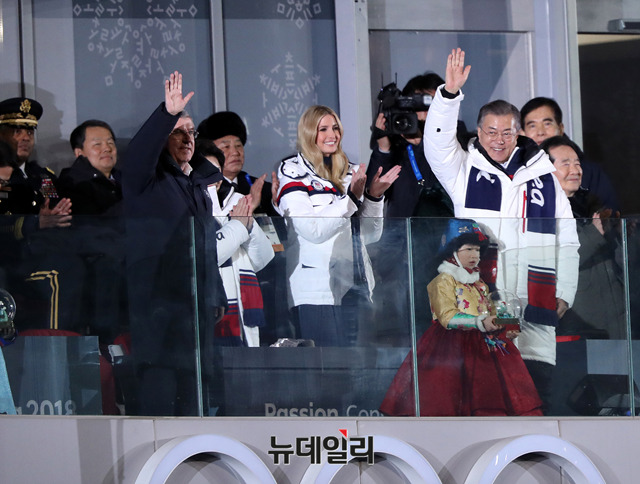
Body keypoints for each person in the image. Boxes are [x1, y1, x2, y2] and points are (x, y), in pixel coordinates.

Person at [423, 48, 579, 413]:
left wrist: (565, 293)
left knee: (537, 398)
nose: (499, 139)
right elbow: (436, 144)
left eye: (507, 132)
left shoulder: (544, 176)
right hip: (482, 307)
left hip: (533, 304)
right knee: (487, 401)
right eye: (491, 131)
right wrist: (449, 96)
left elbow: (568, 240)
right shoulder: (463, 172)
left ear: (518, 133)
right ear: (479, 132)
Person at [121, 71, 227, 416]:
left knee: (194, 398)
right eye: (177, 132)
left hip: (195, 309)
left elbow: (205, 245)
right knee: (161, 395)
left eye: (191, 132)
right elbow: (139, 153)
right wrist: (166, 114)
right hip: (158, 311)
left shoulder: (198, 185)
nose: (187, 139)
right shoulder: (146, 181)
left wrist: (216, 293)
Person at [380, 218, 543, 416]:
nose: (474, 255)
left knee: (491, 392)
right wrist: (479, 322)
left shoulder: (480, 283)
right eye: (468, 249)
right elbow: (446, 317)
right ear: (453, 251)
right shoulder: (443, 281)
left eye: (477, 250)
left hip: (482, 346)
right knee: (449, 395)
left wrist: (508, 323)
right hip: (450, 345)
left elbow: (491, 311)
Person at [276, 105, 400, 346]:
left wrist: (374, 197)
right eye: (323, 129)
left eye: (335, 128)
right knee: (328, 364)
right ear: (308, 132)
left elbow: (370, 235)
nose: (332, 135)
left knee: (360, 365)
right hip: (317, 292)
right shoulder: (292, 171)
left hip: (357, 287)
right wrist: (351, 199)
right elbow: (312, 230)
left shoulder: (350, 171)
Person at [540, 136, 625, 340]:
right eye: (565, 164)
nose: (575, 170)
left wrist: (622, 233)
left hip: (616, 317)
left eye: (577, 163)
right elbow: (552, 257)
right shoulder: (539, 210)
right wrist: (594, 233)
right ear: (545, 170)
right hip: (579, 324)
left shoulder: (591, 204)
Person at [197, 141, 275, 347]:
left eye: (217, 172)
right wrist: (238, 227)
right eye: (206, 172)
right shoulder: (190, 210)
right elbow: (207, 257)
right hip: (213, 313)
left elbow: (263, 258)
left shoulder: (237, 202)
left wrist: (247, 225)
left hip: (245, 313)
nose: (214, 180)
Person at [367, 73, 454, 218]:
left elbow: (434, 185)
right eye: (418, 104)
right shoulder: (396, 145)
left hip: (442, 227)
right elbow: (372, 195)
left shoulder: (455, 139)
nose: (424, 112)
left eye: (430, 103)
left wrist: (421, 145)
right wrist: (383, 150)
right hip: (400, 229)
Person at [520, 96, 620, 213]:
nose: (540, 132)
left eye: (547, 124)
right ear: (522, 133)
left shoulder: (588, 171)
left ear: (561, 128)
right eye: (532, 126)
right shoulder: (516, 171)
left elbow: (609, 216)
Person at [197, 111, 278, 216]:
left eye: (238, 145)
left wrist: (275, 202)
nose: (235, 152)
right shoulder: (202, 188)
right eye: (226, 147)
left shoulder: (263, 189)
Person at [58, 120, 121, 215]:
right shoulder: (72, 184)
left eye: (110, 143)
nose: (107, 148)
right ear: (79, 153)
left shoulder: (126, 179)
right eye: (97, 144)